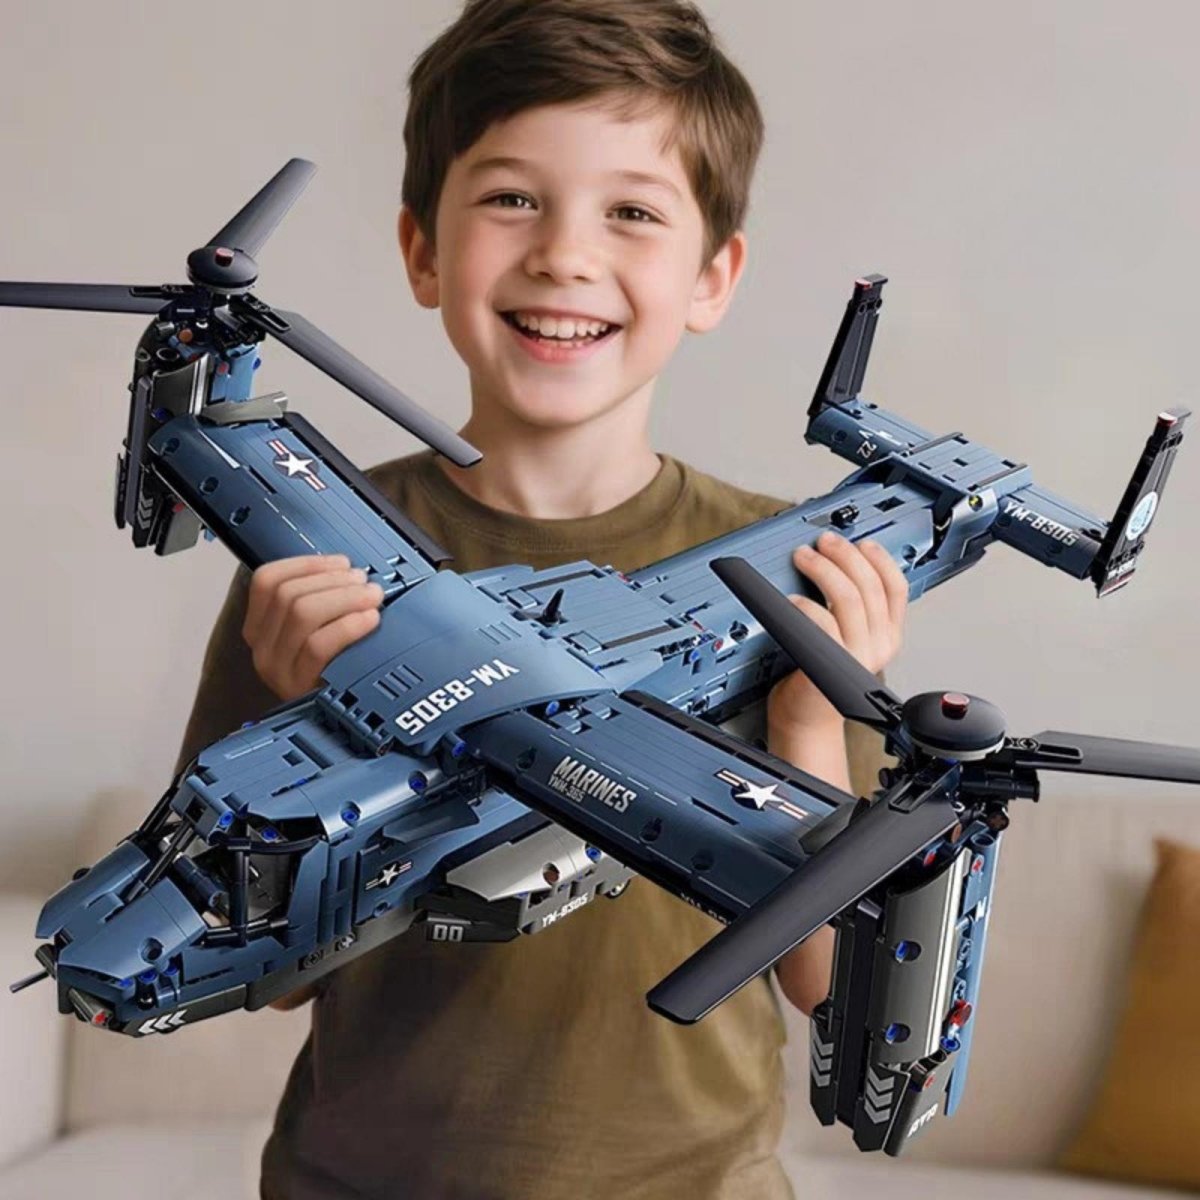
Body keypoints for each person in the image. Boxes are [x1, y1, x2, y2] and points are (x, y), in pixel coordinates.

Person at [174, 2, 909, 1196]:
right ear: (423, 249)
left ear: (712, 275)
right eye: (513, 197)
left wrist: (812, 724)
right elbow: (254, 962)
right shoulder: (307, 555)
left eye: (631, 210)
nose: (565, 254)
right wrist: (298, 707)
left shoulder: (805, 570)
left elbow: (835, 986)